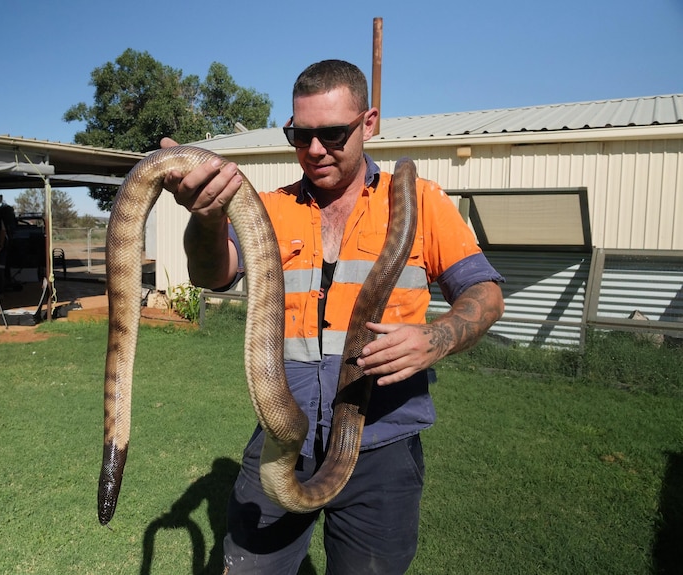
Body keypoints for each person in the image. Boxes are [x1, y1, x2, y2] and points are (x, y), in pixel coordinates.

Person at [162, 59, 505, 574]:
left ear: (368, 123)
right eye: (301, 136)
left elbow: (485, 292)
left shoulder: (417, 200)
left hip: (382, 444)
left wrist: (437, 338)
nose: (315, 150)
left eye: (333, 133)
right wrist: (205, 219)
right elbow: (214, 274)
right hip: (282, 438)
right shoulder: (271, 209)